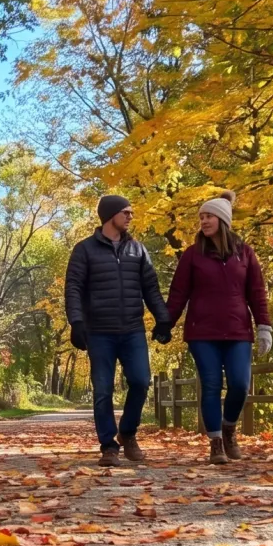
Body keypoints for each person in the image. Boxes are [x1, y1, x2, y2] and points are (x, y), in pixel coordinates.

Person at [161, 190, 271, 464]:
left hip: (237, 331)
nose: (204, 221)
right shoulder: (192, 255)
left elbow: (257, 293)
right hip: (202, 332)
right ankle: (216, 443)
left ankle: (229, 428)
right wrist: (166, 324)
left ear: (222, 220)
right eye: (201, 216)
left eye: (208, 216)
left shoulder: (245, 254)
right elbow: (178, 294)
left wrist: (264, 327)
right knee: (211, 385)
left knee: (240, 385)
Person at [65, 194, 171, 467]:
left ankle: (128, 433)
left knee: (140, 381)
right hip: (99, 332)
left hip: (132, 330)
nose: (130, 216)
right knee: (102, 390)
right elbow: (73, 288)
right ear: (110, 214)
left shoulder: (138, 250)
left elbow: (151, 289)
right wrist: (76, 322)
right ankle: (108, 446)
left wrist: (163, 320)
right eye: (125, 211)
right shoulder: (84, 250)